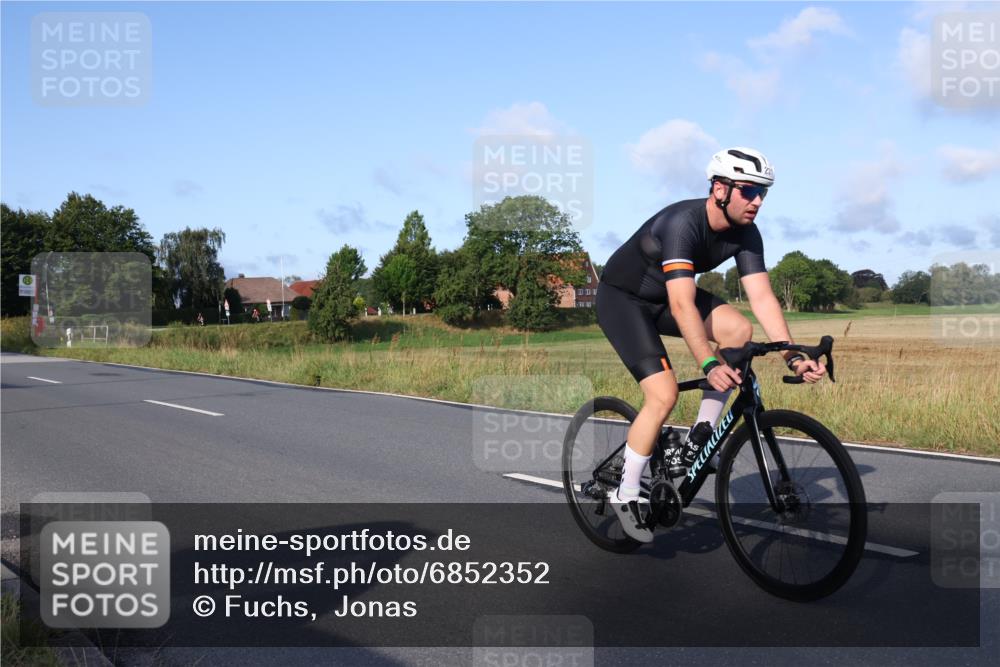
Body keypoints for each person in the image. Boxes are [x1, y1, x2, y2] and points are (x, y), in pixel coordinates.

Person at [597, 147, 827, 543]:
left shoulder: (747, 233)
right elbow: (683, 303)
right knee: (663, 394)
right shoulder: (683, 223)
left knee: (739, 331)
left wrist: (792, 355)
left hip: (666, 300)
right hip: (624, 300)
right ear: (720, 188)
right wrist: (707, 362)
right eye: (748, 191)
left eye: (763, 194)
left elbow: (763, 299)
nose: (756, 201)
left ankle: (697, 440)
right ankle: (626, 492)